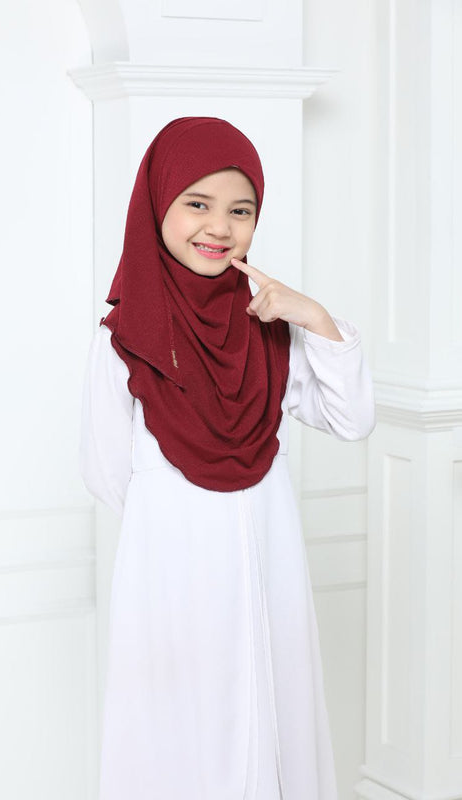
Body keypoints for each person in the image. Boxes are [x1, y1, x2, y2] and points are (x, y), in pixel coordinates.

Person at [80, 116, 375, 800]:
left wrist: (315, 319)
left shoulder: (270, 325)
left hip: (270, 570)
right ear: (157, 204)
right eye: (197, 203)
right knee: (180, 732)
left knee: (271, 715)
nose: (219, 227)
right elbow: (105, 468)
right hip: (172, 577)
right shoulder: (123, 338)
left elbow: (351, 419)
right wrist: (180, 526)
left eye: (240, 211)